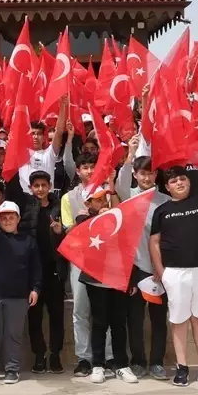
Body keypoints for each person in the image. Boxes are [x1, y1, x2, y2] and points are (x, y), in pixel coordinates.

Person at [149, 162, 198, 388]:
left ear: (189, 181)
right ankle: (181, 367)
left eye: (182, 179)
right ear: (167, 187)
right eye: (173, 181)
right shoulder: (161, 211)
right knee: (179, 320)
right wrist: (162, 272)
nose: (179, 183)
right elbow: (154, 241)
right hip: (175, 273)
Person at [75, 191, 138, 384]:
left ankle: (121, 365)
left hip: (118, 278)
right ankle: (97, 365)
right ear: (88, 203)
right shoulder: (85, 219)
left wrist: (131, 278)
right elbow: (82, 229)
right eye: (97, 199)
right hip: (96, 280)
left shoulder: (117, 217)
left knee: (119, 323)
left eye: (104, 198)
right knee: (100, 323)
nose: (102, 202)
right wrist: (100, 217)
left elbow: (129, 247)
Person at [116, 147, 169, 378]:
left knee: (159, 319)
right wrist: (128, 158)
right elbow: (119, 182)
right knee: (134, 319)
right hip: (135, 269)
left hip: (161, 269)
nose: (146, 177)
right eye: (142, 173)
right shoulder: (128, 195)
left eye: (151, 173)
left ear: (156, 175)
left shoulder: (166, 201)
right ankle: (138, 361)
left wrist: (162, 267)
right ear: (135, 175)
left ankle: (157, 362)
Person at [0, 201, 41, 385]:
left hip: (18, 296)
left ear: (18, 219)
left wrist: (35, 288)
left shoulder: (28, 241)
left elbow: (36, 268)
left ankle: (12, 369)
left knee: (14, 335)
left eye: (11, 216)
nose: (7, 220)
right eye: (3, 217)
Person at [60, 150, 108, 376]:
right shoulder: (68, 198)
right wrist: (87, 220)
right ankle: (84, 358)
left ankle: (107, 356)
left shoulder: (108, 193)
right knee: (80, 310)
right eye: (85, 167)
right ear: (77, 171)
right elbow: (69, 230)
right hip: (79, 260)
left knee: (104, 311)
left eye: (92, 166)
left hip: (105, 259)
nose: (89, 171)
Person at [21, 170, 66, 373]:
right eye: (36, 185)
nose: (40, 189)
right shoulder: (27, 206)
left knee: (57, 317)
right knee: (35, 317)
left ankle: (55, 355)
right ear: (31, 188)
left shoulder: (59, 206)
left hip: (54, 271)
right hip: (32, 273)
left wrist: (59, 232)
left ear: (49, 186)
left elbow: (68, 237)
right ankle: (39, 355)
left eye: (43, 185)